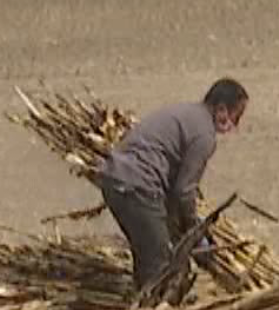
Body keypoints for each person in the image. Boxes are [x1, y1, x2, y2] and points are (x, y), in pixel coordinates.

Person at [97, 78, 249, 294]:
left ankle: (143, 300)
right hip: (138, 186)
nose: (237, 124)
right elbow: (184, 191)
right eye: (237, 116)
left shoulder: (187, 112)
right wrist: (195, 231)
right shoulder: (204, 134)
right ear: (222, 110)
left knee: (146, 252)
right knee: (162, 266)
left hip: (114, 179)